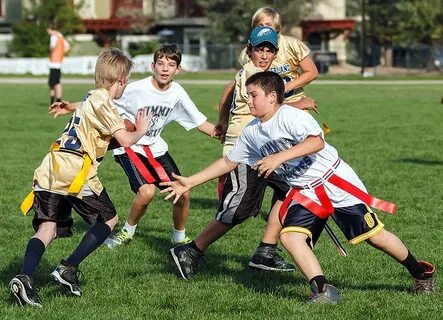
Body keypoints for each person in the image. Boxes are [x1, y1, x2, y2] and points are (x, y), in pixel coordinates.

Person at [163, 71, 435, 303]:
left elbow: (316, 142)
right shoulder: (251, 131)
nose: (248, 99)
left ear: (272, 97)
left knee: (375, 237)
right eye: (246, 94)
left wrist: (278, 157)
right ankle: (322, 290)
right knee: (290, 237)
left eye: (253, 93)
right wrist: (191, 180)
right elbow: (229, 161)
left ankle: (421, 273)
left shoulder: (290, 116)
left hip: (334, 182)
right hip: (306, 193)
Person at [9, 48, 151, 307]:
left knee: (47, 228)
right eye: (125, 82)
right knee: (109, 219)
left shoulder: (91, 96)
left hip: (51, 167)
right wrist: (141, 129)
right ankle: (68, 268)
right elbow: (126, 139)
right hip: (75, 172)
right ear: (119, 80)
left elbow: (92, 115)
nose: (125, 87)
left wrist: (68, 107)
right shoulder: (105, 102)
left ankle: (25, 277)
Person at [54, 44, 218, 248]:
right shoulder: (135, 89)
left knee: (182, 192)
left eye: (171, 64)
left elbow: (200, 122)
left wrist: (224, 135)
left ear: (178, 70)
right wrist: (71, 106)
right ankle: (126, 232)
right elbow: (102, 100)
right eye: (160, 63)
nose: (165, 68)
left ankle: (179, 237)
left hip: (156, 148)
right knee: (147, 192)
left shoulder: (177, 93)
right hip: (130, 146)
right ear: (152, 66)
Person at [216, 9, 320, 272]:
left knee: (288, 189)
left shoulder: (275, 58)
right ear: (250, 47)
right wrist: (297, 102)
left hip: (264, 139)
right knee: (237, 211)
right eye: (259, 44)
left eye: (269, 44)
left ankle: (266, 249)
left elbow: (305, 76)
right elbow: (260, 101)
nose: (264, 53)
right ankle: (192, 250)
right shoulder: (253, 69)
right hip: (247, 142)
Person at [47, 23, 69, 105]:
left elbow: (52, 47)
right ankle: (58, 100)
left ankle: (55, 102)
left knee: (53, 83)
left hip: (54, 62)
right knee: (56, 82)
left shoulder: (53, 36)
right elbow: (67, 46)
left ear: (50, 29)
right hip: (59, 61)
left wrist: (51, 52)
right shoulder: (60, 36)